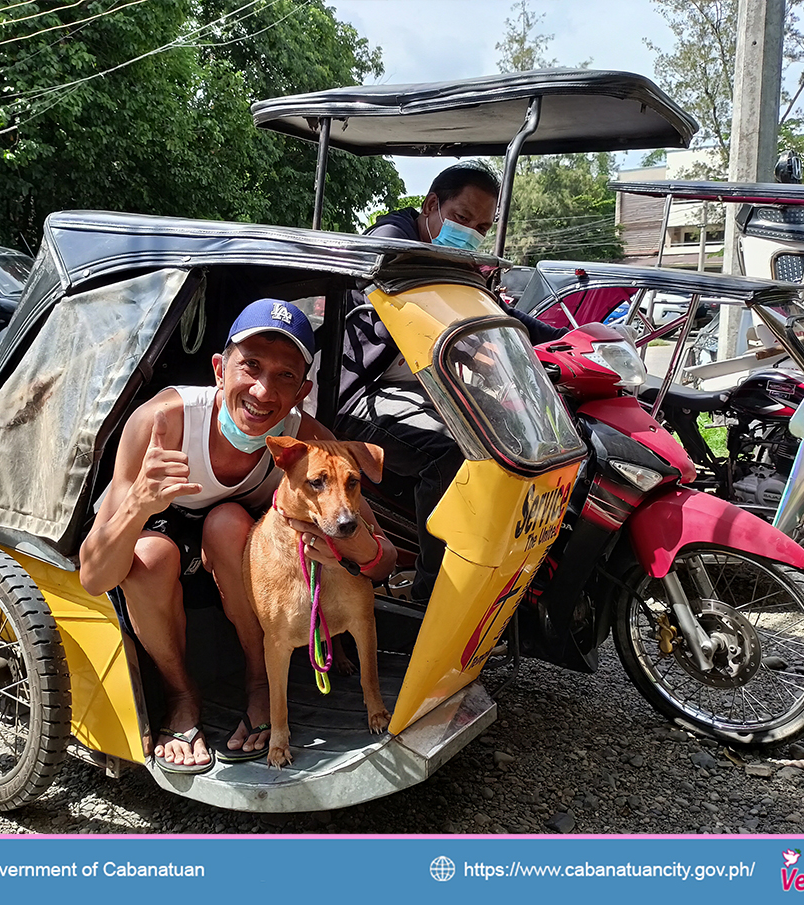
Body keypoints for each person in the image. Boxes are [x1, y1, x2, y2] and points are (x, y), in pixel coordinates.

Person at [80, 298, 396, 773]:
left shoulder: (307, 443)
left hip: (226, 543)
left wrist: (355, 553)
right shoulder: (162, 421)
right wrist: (140, 503)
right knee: (150, 558)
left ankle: (257, 686)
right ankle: (181, 698)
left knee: (228, 521)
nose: (263, 391)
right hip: (157, 536)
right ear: (219, 370)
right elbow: (93, 575)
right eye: (250, 366)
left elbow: (383, 555)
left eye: (285, 376)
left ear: (302, 391)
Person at [337, 161, 564, 605]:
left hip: (415, 388)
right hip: (358, 393)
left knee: (509, 432)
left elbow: (493, 307)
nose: (471, 234)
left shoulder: (451, 258)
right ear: (431, 205)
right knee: (451, 451)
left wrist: (559, 340)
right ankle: (432, 596)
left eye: (482, 226)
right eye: (462, 219)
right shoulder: (391, 245)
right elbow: (414, 313)